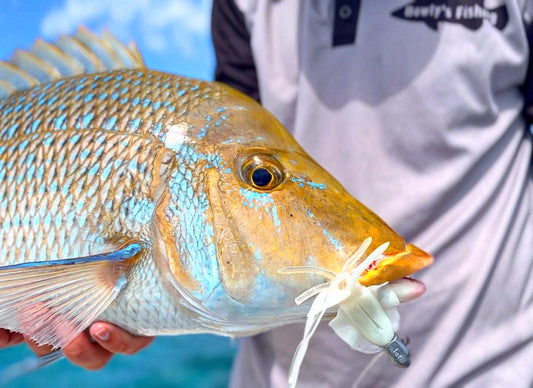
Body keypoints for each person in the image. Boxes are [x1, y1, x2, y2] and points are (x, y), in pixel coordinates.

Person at [2, 0, 533, 386]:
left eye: (261, 177)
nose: (260, 179)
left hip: (491, 368)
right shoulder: (244, 6)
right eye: (260, 178)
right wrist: (138, 313)